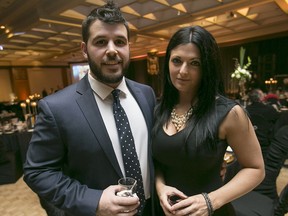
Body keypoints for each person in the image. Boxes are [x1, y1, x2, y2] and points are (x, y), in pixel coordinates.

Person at [23, 1, 156, 216]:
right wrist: (95, 202)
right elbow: (37, 172)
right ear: (84, 49)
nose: (112, 50)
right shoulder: (56, 108)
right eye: (101, 42)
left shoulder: (146, 94)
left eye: (120, 41)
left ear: (129, 46)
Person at [151, 26, 265, 216]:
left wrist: (210, 201)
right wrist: (160, 187)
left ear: (207, 67)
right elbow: (157, 163)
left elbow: (256, 169)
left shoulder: (229, 113)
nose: (183, 71)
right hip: (165, 210)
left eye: (195, 63)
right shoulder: (159, 109)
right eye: (177, 61)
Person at [245, 88, 279, 159]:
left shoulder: (245, 110)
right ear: (261, 98)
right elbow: (277, 122)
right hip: (266, 143)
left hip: (249, 142)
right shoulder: (269, 109)